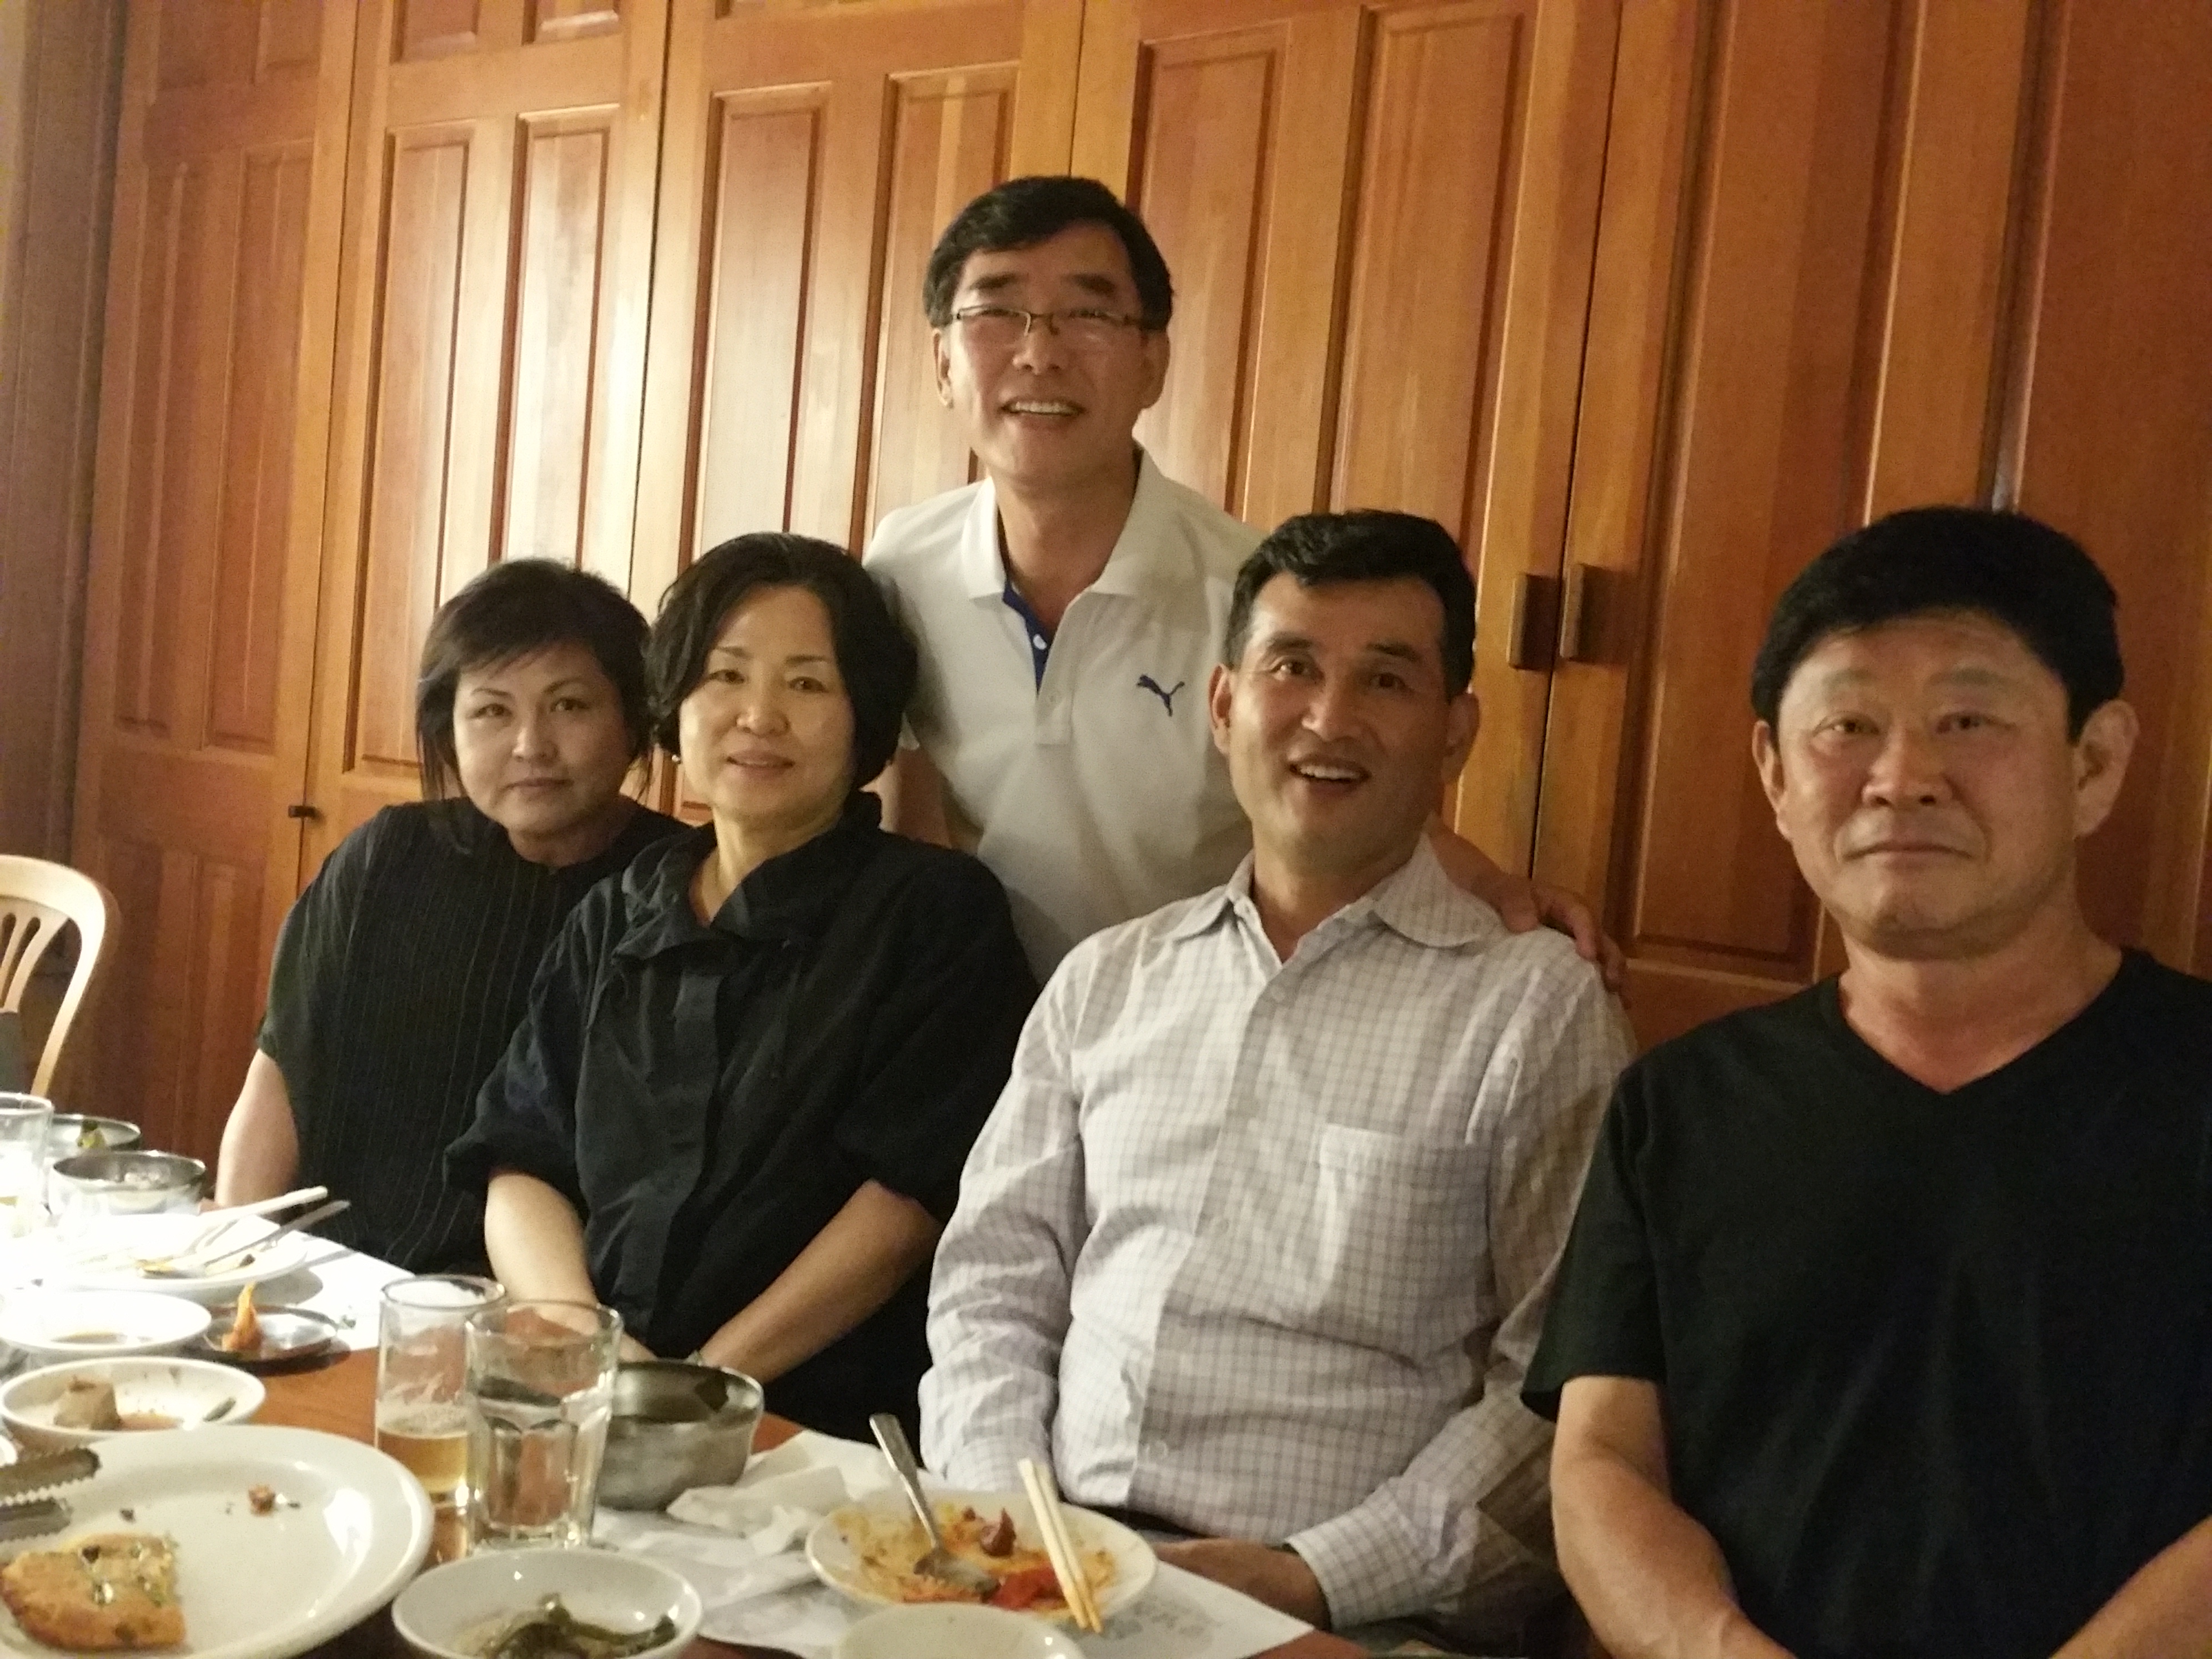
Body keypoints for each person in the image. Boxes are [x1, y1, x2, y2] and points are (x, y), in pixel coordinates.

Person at [922, 511, 1630, 1638]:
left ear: (1455, 731)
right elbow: (993, 1282)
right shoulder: (1108, 979)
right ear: (1223, 706)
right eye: (1290, 667)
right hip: (1052, 1573)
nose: (1328, 719)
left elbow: (1556, 1383)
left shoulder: (1534, 1010)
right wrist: (1011, 1519)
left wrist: (1313, 1575)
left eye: (1386, 680)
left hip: (1349, 1611)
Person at [1525, 507, 2212, 1659]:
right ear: (1774, 773)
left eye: (1967, 720)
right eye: (1847, 725)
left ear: (2093, 763)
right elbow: (1602, 1459)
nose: (1902, 778)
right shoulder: (1681, 1105)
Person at [865, 175, 1617, 979]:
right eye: (996, 311)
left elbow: (1355, 789)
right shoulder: (903, 564)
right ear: (942, 362)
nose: (1040, 353)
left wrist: (1497, 890)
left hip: (1192, 1013)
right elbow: (908, 802)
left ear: (1152, 363)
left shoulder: (1251, 595)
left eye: (1088, 315)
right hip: (977, 1012)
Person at [448, 533, 1035, 1441]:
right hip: (589, 1401)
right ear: (675, 702)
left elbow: (907, 1203)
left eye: (806, 684)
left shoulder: (933, 913)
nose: (759, 716)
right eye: (724, 675)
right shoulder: (618, 911)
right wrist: (590, 1347)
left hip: (815, 1425)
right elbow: (520, 1158)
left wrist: (701, 1386)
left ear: (866, 716)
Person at [214, 560, 681, 1271]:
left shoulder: (678, 890)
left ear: (633, 722)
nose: (531, 746)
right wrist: (233, 1255)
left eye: (569, 705)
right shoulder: (389, 855)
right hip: (335, 1275)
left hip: (547, 1300)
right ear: (448, 730)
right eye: (492, 711)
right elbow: (280, 1070)